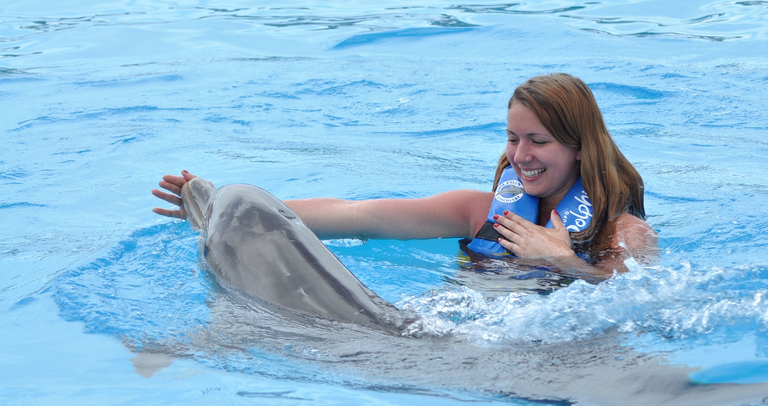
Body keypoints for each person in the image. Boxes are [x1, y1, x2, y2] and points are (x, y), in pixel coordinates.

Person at [153, 73, 657, 280]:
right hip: (449, 333)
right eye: (512, 138)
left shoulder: (622, 233)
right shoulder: (481, 211)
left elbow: (653, 308)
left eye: (539, 142)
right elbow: (362, 217)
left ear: (579, 147)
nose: (520, 155)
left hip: (544, 356)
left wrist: (566, 262)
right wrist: (224, 207)